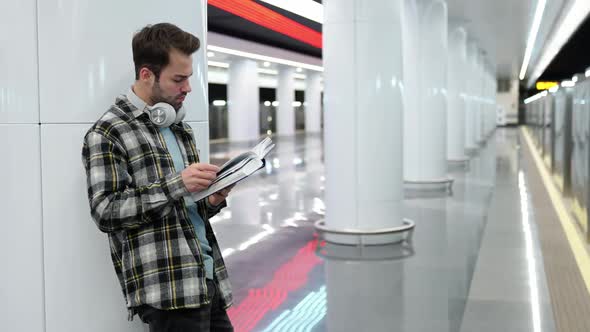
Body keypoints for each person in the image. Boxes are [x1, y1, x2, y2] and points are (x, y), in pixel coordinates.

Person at [82, 23, 234, 331]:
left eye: (188, 77)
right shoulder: (109, 132)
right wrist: (178, 184)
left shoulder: (179, 127)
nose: (187, 88)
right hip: (168, 293)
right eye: (178, 79)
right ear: (147, 75)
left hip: (207, 279)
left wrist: (213, 199)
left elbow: (185, 209)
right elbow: (105, 211)